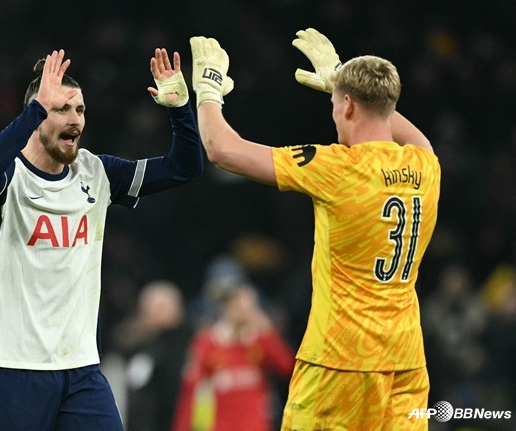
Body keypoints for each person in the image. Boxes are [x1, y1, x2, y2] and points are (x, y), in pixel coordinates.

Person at [188, 28, 440, 431]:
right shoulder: (425, 166)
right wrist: (341, 81)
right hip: (405, 362)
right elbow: (415, 137)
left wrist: (208, 90)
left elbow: (222, 150)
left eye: (336, 104)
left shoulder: (338, 168)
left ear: (348, 106)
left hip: (338, 363)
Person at [0, 47, 202, 430]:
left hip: (80, 369)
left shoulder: (96, 171)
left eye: (80, 110)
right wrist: (36, 110)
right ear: (36, 115)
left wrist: (179, 108)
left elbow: (184, 168)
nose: (75, 118)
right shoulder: (8, 178)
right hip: (10, 365)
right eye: (61, 109)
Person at [172, 283, 295, 431]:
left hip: (256, 426)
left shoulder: (261, 340)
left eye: (250, 305)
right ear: (226, 306)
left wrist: (267, 331)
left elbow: (287, 367)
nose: (245, 310)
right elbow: (191, 392)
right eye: (239, 304)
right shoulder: (207, 343)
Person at [114, 280, 192, 431]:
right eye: (154, 308)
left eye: (163, 307)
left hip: (179, 416)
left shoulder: (191, 341)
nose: (158, 312)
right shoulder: (132, 343)